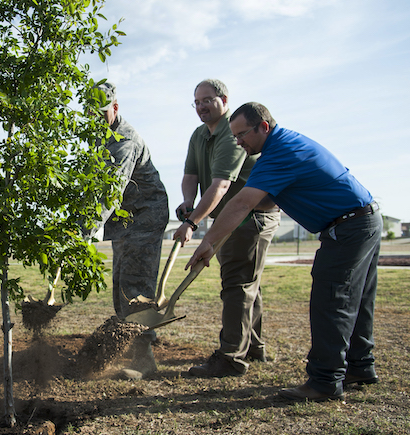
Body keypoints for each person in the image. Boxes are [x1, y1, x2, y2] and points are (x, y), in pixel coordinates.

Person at [187, 102, 381, 401]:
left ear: (263, 126)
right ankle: (359, 366)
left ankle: (325, 381)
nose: (238, 142)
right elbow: (265, 201)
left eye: (242, 135)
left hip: (349, 228)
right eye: (235, 136)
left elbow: (242, 203)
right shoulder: (285, 146)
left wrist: (208, 241)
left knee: (331, 301)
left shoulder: (279, 153)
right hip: (363, 220)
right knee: (357, 300)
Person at [174, 80, 280, 377]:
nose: (201, 106)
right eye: (196, 102)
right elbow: (191, 174)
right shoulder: (199, 135)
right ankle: (253, 347)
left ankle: (231, 357)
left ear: (223, 99)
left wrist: (193, 222)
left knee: (237, 284)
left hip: (250, 216)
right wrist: (187, 201)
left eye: (207, 100)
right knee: (246, 283)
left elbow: (221, 185)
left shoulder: (231, 134)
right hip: (227, 217)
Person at [90, 82, 169, 379]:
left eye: (102, 112)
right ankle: (133, 345)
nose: (97, 119)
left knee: (135, 287)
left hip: (145, 216)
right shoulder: (100, 138)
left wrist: (87, 229)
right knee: (121, 284)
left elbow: (111, 191)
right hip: (124, 221)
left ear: (115, 107)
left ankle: (144, 359)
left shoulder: (125, 141)